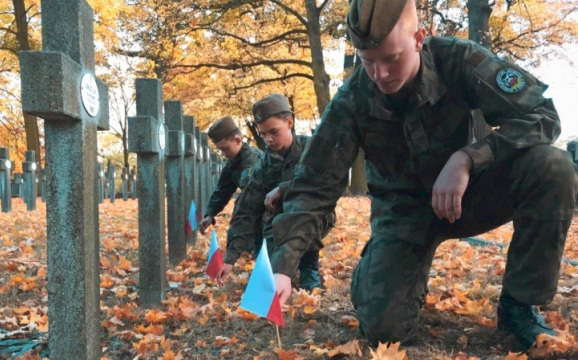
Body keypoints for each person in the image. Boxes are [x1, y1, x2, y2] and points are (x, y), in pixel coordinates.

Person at [269, 0, 578, 350]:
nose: (380, 75)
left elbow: (542, 115)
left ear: (419, 38)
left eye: (391, 59)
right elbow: (313, 187)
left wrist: (468, 158)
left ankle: (519, 305)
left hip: (466, 196)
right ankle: (378, 274)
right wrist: (284, 266)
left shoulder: (459, 60)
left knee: (552, 167)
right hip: (402, 217)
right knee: (384, 329)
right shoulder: (351, 100)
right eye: (368, 61)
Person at [218, 94, 335, 291]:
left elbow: (327, 184)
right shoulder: (265, 164)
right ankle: (287, 263)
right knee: (270, 274)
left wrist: (284, 188)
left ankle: (309, 265)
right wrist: (230, 257)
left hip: (314, 215)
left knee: (307, 210)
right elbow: (247, 208)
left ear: (289, 122)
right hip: (278, 222)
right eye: (263, 134)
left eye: (273, 131)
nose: (268, 139)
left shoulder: (312, 148)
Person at [198, 116, 263, 252]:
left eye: (225, 148)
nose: (224, 153)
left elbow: (250, 195)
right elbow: (223, 190)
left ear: (238, 140)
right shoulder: (234, 161)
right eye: (220, 150)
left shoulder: (251, 159)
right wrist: (210, 214)